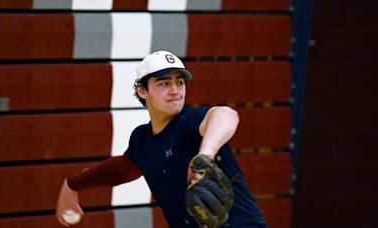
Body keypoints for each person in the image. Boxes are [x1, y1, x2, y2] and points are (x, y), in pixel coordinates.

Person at [56, 51, 267, 227]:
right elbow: (122, 168)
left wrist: (205, 155)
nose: (175, 90)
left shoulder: (191, 122)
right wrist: (72, 184)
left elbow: (226, 115)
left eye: (180, 82)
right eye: (164, 83)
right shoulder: (142, 141)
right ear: (142, 90)